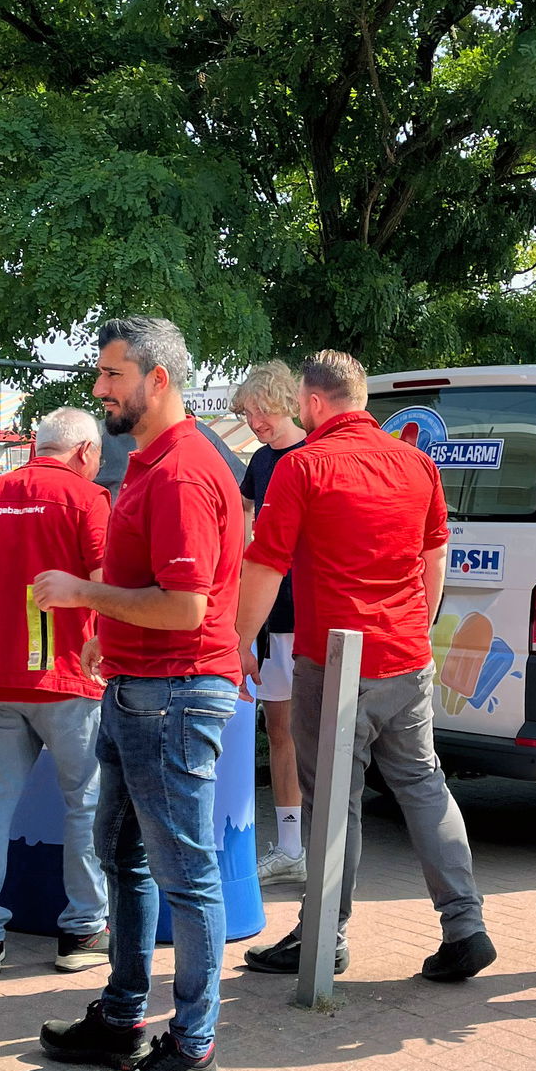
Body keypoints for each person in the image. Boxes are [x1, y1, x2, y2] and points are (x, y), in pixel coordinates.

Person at [33, 317, 243, 1071]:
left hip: (172, 694)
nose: (99, 390)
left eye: (113, 375)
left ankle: (192, 1050)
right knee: (123, 854)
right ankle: (124, 1016)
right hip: (142, 685)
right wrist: (110, 638)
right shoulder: (155, 460)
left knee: (185, 877)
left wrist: (85, 597)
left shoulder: (182, 470)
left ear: (158, 379)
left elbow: (188, 605)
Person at [237, 351, 496, 983]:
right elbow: (436, 556)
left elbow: (265, 564)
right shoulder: (417, 465)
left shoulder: (302, 468)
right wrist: (418, 624)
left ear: (316, 403)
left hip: (333, 663)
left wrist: (240, 640)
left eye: (301, 402)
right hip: (406, 658)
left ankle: (323, 937)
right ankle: (465, 925)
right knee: (425, 787)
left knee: (334, 803)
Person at [0, 409, 112, 978]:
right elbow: (107, 582)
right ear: (84, 451)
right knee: (86, 803)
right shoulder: (88, 501)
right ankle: (83, 930)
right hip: (70, 679)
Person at [231, 361, 308, 887]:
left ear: (284, 398)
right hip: (272, 617)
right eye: (247, 412)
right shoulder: (259, 462)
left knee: (324, 735)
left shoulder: (317, 454)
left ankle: (327, 847)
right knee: (280, 731)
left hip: (320, 618)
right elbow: (239, 523)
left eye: (258, 409)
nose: (253, 419)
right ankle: (289, 847)